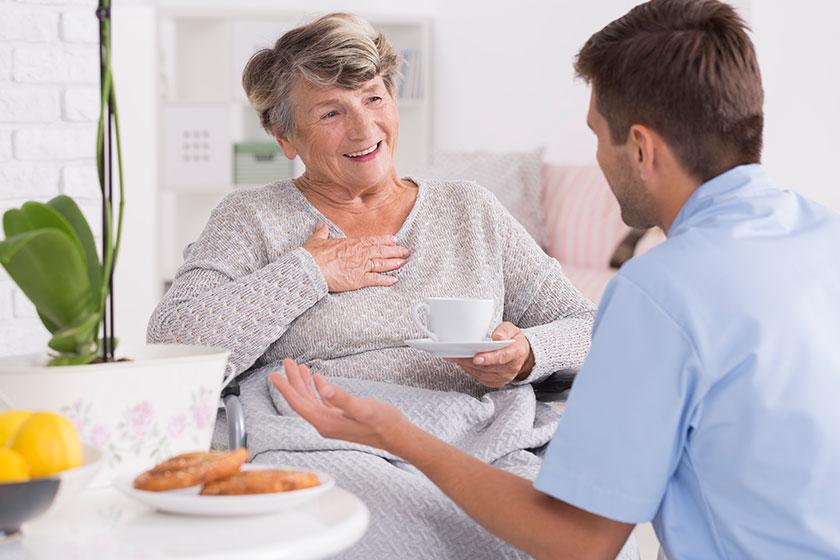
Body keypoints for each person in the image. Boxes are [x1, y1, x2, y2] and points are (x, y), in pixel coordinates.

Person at [271, 1, 840, 559]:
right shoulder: (827, 239)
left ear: (640, 148)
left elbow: (580, 542)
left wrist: (396, 434)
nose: (597, 157)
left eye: (597, 134)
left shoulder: (659, 293)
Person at [147, 13, 639, 560]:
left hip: (480, 438)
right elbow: (175, 343)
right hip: (329, 440)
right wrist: (309, 272)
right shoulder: (252, 218)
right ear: (284, 135)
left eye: (373, 98)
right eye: (332, 112)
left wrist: (527, 354)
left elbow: (593, 329)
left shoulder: (468, 209)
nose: (364, 129)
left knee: (565, 537)